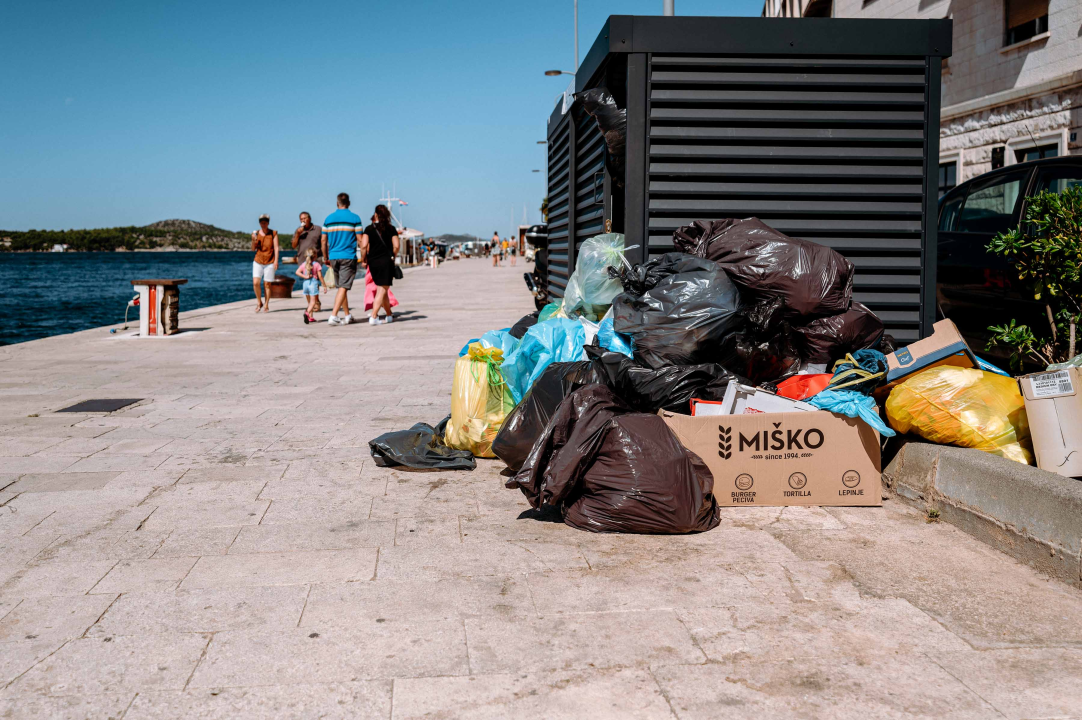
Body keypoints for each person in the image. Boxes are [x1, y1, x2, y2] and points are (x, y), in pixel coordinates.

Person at [321, 192, 364, 326]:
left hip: (333, 256)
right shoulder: (355, 218)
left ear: (337, 203)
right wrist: (364, 256)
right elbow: (360, 239)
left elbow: (323, 240)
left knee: (341, 287)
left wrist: (325, 256)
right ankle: (333, 316)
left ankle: (347, 315)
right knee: (343, 287)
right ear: (349, 203)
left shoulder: (328, 219)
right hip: (348, 256)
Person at [360, 204, 400, 325]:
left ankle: (389, 315)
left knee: (382, 288)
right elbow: (397, 246)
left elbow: (363, 245)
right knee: (382, 289)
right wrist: (393, 255)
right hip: (386, 261)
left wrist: (363, 259)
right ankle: (374, 316)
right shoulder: (391, 229)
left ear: (376, 214)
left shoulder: (368, 229)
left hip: (373, 262)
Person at [292, 212, 323, 311]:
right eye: (301, 219)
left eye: (305, 218)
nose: (303, 220)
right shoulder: (298, 231)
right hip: (303, 260)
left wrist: (326, 257)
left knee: (314, 281)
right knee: (307, 282)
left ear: (309, 218)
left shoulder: (318, 229)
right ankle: (310, 304)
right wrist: (297, 234)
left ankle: (316, 301)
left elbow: (323, 243)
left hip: (316, 260)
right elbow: (293, 245)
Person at [251, 214, 279, 313]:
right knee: (256, 283)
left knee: (267, 284)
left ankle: (266, 304)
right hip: (258, 260)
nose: (263, 224)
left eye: (265, 222)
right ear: (259, 223)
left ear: (268, 223)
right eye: (261, 222)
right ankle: (259, 302)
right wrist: (253, 240)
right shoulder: (256, 233)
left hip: (270, 261)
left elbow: (276, 247)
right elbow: (253, 249)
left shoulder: (273, 233)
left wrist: (276, 261)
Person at [294, 247, 327, 324]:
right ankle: (307, 313)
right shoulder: (317, 264)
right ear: (315, 256)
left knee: (309, 302)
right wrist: (324, 286)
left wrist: (305, 277)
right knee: (313, 302)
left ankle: (310, 317)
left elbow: (297, 272)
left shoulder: (304, 264)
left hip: (305, 284)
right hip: (313, 284)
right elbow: (320, 276)